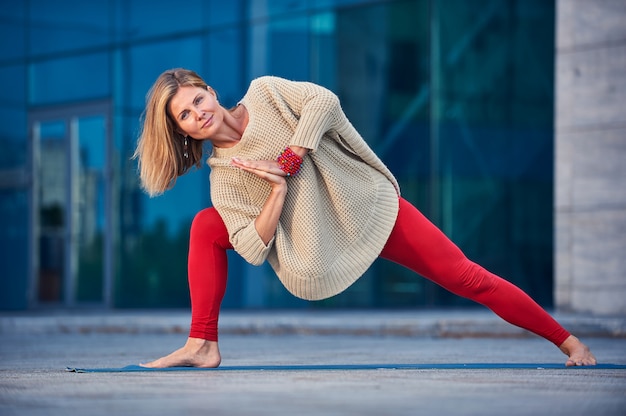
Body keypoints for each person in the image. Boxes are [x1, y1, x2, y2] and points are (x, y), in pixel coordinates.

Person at [133, 68, 596, 368]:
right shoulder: (224, 177)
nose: (199, 114)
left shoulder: (267, 92)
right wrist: (276, 189)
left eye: (197, 101)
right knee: (205, 227)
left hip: (366, 207)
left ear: (210, 91)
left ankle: (568, 342)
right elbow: (254, 250)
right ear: (182, 131)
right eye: (185, 116)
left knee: (467, 277)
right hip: (314, 242)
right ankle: (203, 343)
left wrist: (291, 158)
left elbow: (325, 103)